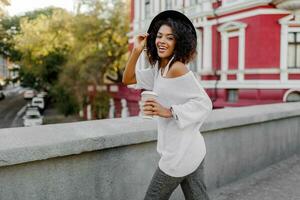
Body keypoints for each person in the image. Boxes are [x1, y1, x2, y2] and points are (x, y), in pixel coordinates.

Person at [122, 10, 212, 200]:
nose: (162, 41)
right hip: (186, 147)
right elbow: (128, 79)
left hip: (180, 152)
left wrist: (168, 111)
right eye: (159, 36)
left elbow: (204, 103)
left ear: (178, 43)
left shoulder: (176, 68)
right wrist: (137, 50)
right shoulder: (159, 69)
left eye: (169, 38)